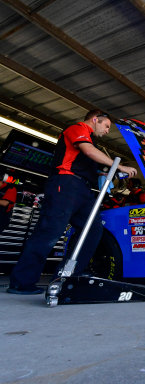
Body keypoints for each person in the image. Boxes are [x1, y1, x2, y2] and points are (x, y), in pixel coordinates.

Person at [7, 110, 137, 295]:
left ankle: (66, 278)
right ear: (94, 120)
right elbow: (88, 150)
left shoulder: (91, 141)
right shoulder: (78, 128)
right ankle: (21, 282)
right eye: (106, 126)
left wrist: (102, 173)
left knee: (93, 231)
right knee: (49, 232)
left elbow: (84, 161)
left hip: (83, 190)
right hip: (65, 185)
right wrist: (118, 165)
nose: (108, 131)